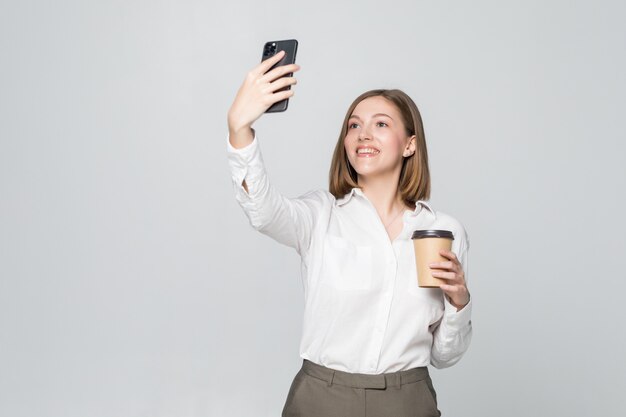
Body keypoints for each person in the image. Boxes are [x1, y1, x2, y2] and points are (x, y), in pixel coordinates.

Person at [226, 50, 472, 417]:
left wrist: (459, 303)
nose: (363, 135)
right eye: (354, 125)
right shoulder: (320, 215)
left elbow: (444, 356)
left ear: (410, 144)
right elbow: (263, 211)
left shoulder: (443, 231)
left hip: (408, 399)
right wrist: (239, 130)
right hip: (322, 397)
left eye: (381, 124)